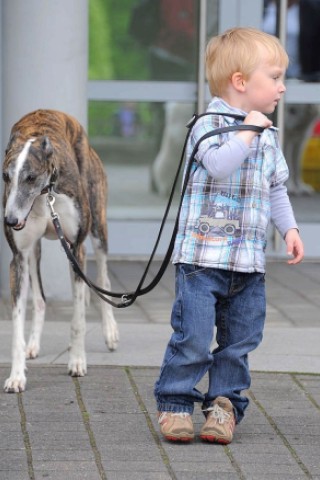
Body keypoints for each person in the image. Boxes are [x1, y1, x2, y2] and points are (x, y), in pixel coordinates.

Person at [154, 27, 304, 444]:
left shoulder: (268, 135)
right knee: (194, 338)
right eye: (273, 77)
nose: (282, 86)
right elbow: (220, 164)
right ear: (241, 82)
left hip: (248, 264)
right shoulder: (206, 126)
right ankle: (176, 404)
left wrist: (288, 228)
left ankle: (223, 406)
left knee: (239, 343)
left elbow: (275, 188)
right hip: (203, 260)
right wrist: (247, 130)